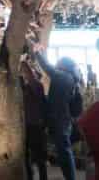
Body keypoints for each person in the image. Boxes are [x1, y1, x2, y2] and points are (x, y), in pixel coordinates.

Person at [34, 48, 82, 180]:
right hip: (65, 120)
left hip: (59, 119)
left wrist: (37, 52)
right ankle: (69, 176)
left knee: (64, 152)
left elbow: (47, 67)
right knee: (64, 151)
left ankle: (70, 177)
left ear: (62, 65)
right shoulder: (72, 79)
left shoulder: (62, 76)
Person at [20, 60, 48, 180]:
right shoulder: (26, 86)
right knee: (28, 155)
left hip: (35, 124)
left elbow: (40, 103)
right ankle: (31, 176)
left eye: (24, 71)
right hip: (28, 124)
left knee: (38, 156)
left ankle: (41, 177)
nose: (23, 74)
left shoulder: (35, 85)